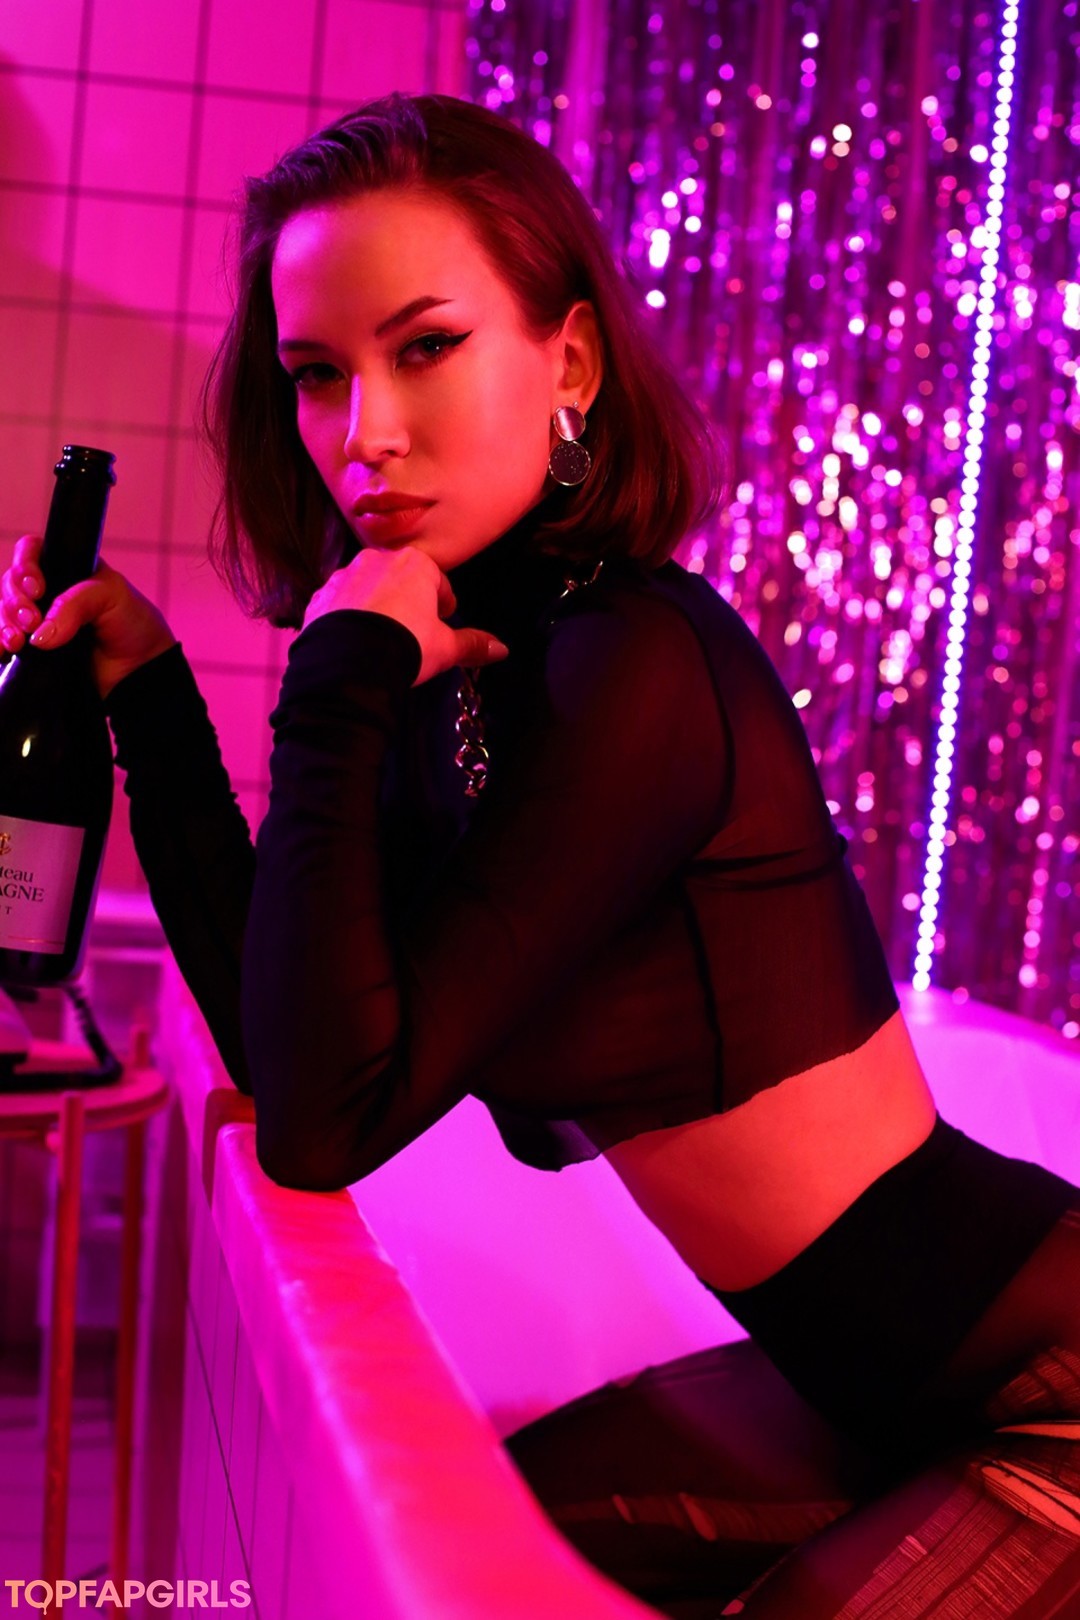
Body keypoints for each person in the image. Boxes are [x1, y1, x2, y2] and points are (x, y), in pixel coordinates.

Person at [3, 93, 1080, 1618]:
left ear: (570, 361)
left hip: (1048, 1390)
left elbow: (323, 1125)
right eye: (319, 374)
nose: (364, 434)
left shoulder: (637, 668)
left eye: (426, 347)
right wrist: (154, 694)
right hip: (848, 1385)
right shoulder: (468, 658)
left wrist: (340, 670)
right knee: (470, 1548)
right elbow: (287, 1042)